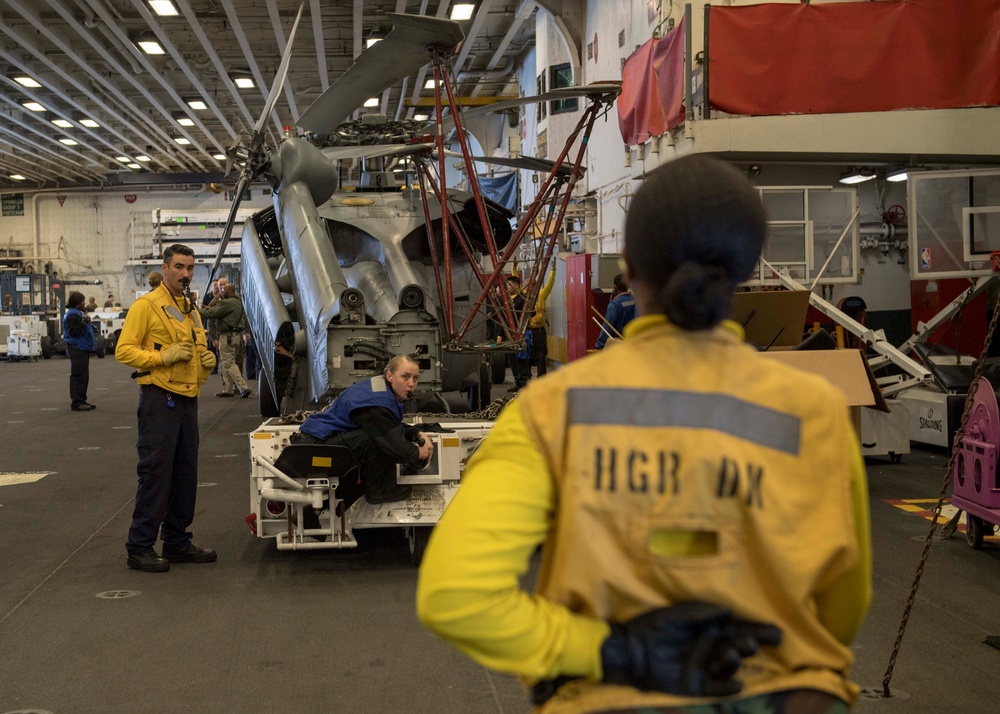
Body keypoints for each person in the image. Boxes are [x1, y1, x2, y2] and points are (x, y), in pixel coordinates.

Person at [418, 155, 872, 713]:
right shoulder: (814, 414)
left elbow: (456, 597)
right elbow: (844, 608)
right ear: (748, 268)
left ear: (629, 267)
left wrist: (611, 651)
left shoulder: (550, 413)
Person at [115, 243, 218, 573]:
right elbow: (124, 350)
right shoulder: (146, 306)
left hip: (188, 400)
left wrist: (208, 363)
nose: (185, 274)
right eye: (179, 267)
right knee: (156, 474)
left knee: (186, 475)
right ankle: (140, 547)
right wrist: (161, 357)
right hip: (158, 400)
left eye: (189, 268)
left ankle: (176, 541)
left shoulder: (191, 310)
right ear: (165, 267)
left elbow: (196, 350)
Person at [295, 354, 434, 504]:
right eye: (405, 377)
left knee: (379, 434)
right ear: (390, 376)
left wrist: (417, 433)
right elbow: (396, 446)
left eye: (415, 378)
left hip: (321, 441)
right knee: (377, 439)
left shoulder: (378, 389)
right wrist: (418, 453)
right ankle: (381, 491)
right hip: (316, 449)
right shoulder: (375, 404)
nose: (411, 384)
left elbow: (389, 424)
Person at [198, 283, 251, 398]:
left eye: (224, 289)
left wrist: (195, 310)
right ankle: (228, 389)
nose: (222, 291)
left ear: (230, 291)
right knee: (228, 363)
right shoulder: (238, 302)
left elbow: (211, 314)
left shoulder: (225, 303)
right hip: (236, 336)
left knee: (228, 363)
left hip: (227, 337)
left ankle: (243, 387)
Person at [62, 291, 97, 412]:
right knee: (78, 375)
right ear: (77, 303)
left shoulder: (78, 313)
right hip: (77, 347)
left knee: (83, 375)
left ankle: (82, 399)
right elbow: (73, 332)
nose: (84, 303)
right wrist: (84, 323)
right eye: (82, 301)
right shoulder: (72, 315)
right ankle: (77, 402)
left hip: (82, 347)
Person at [524, 264, 556, 382]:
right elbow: (514, 285)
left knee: (541, 355)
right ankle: (526, 378)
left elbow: (549, 285)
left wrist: (552, 271)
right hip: (527, 331)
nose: (529, 287)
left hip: (539, 330)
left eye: (531, 285)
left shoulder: (541, 295)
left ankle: (541, 378)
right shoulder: (524, 297)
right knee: (526, 355)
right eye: (527, 286)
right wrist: (514, 270)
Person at [595, 273, 637, 349]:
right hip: (633, 344)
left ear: (615, 287)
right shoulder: (636, 300)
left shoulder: (614, 305)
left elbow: (607, 328)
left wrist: (599, 345)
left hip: (618, 346)